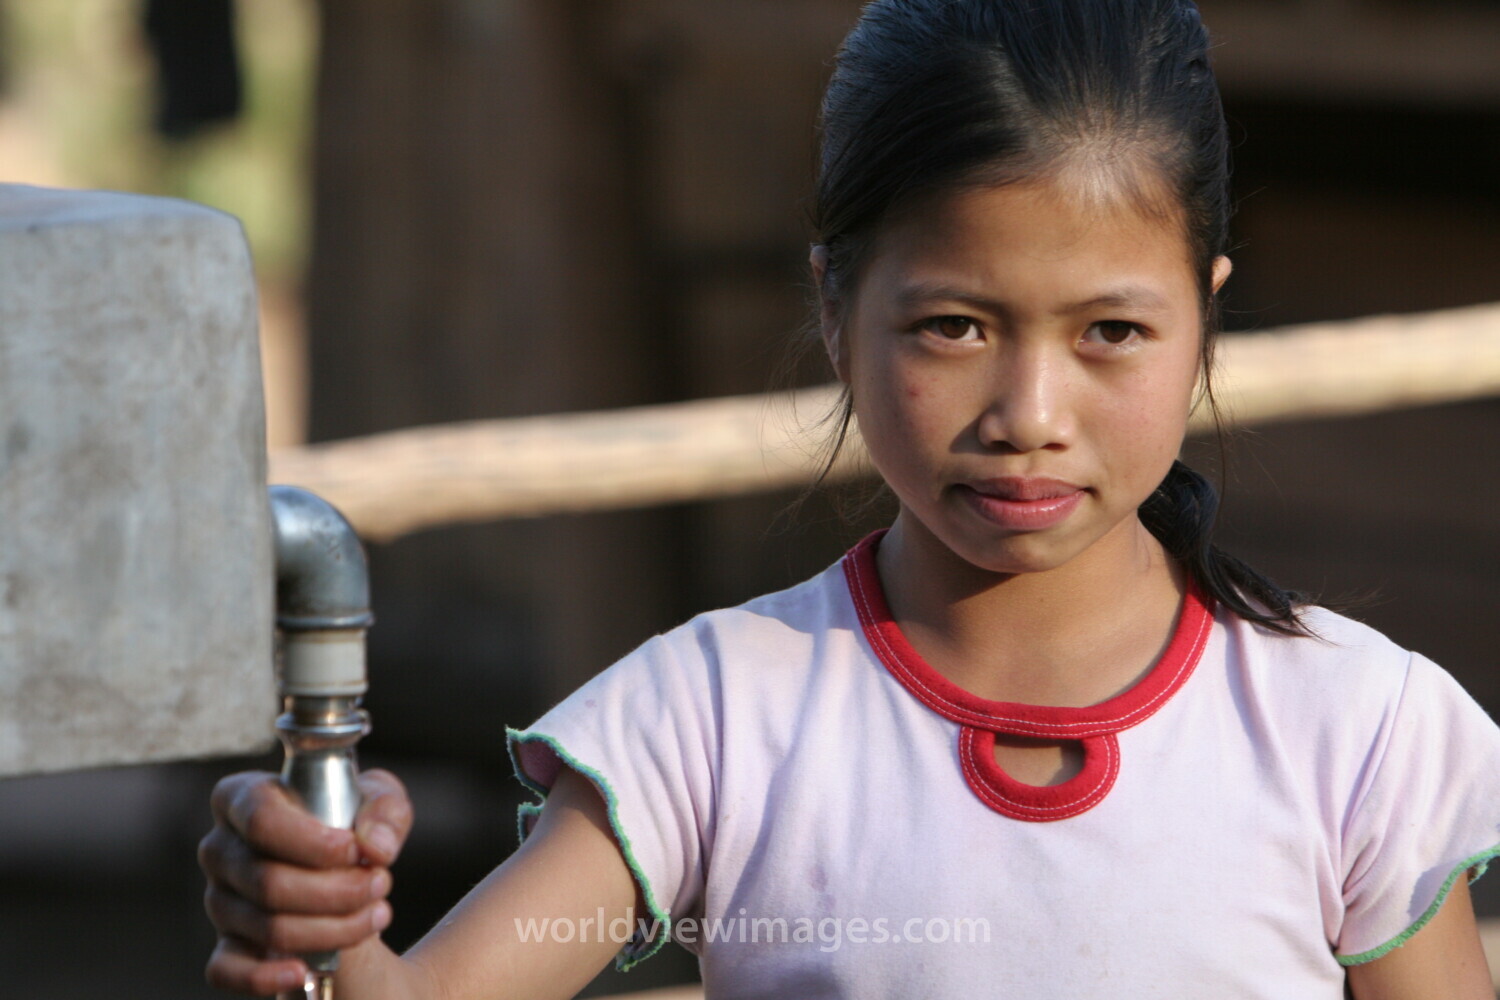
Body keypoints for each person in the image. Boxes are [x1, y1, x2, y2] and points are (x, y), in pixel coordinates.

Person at [198, 1, 1500, 996]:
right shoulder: (716, 724)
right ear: (835, 309)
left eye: (1111, 331)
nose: (1029, 414)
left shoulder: (1353, 739)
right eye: (951, 325)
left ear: (1202, 322)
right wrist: (321, 923)